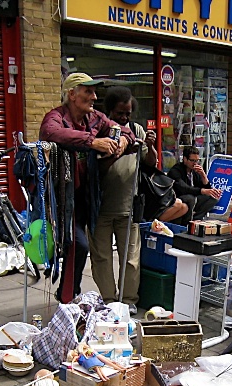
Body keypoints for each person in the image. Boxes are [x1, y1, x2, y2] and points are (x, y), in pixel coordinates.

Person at [39, 72, 136, 304]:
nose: (94, 97)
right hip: (64, 197)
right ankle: (68, 296)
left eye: (94, 92)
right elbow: (51, 133)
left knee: (80, 247)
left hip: (88, 195)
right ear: (72, 94)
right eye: (88, 91)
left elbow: (126, 130)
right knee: (78, 244)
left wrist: (123, 139)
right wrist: (91, 142)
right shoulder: (56, 116)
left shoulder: (95, 118)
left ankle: (68, 293)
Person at [88, 86, 158, 314]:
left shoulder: (135, 129)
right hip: (101, 207)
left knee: (131, 259)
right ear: (109, 111)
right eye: (120, 113)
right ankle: (109, 301)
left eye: (128, 113)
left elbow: (150, 163)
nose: (124, 118)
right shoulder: (99, 130)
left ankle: (127, 301)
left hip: (129, 206)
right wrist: (117, 153)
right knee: (102, 258)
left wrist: (150, 145)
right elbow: (95, 168)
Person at [166, 146, 222, 224]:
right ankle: (186, 224)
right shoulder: (176, 170)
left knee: (213, 197)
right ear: (185, 159)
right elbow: (183, 188)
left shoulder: (195, 171)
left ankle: (196, 219)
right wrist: (202, 191)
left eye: (197, 161)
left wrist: (203, 176)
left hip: (193, 196)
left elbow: (206, 189)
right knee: (190, 198)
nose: (195, 163)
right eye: (192, 160)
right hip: (177, 198)